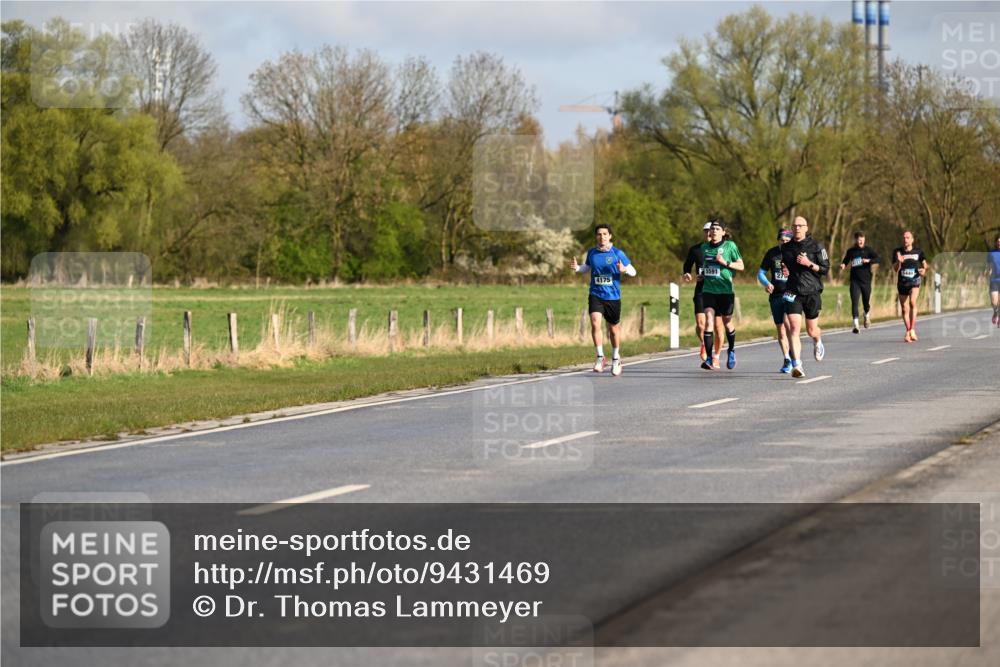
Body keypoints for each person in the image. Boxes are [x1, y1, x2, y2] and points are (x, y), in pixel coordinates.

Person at [570, 224, 636, 376]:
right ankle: (600, 357)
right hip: (596, 293)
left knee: (613, 329)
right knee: (595, 322)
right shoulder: (592, 253)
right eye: (599, 234)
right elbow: (587, 268)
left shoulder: (617, 253)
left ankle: (616, 358)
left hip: (613, 296)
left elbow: (633, 271)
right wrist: (578, 268)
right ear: (596, 237)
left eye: (605, 234)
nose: (602, 237)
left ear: (610, 236)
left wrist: (624, 270)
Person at [780, 216, 829, 378]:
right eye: (794, 226)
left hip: (812, 292)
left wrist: (809, 263)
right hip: (793, 292)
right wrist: (785, 269)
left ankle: (818, 340)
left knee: (811, 330)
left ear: (806, 228)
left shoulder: (816, 246)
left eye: (800, 226)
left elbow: (825, 269)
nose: (797, 228)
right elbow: (784, 265)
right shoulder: (786, 248)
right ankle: (798, 365)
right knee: (794, 328)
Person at [699, 221, 744, 371]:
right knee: (709, 321)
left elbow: (741, 266)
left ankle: (731, 350)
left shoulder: (730, 246)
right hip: (709, 290)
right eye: (712, 229)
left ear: (723, 232)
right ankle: (710, 357)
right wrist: (702, 275)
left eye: (717, 229)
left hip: (725, 292)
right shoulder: (704, 247)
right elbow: (706, 266)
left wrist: (725, 262)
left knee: (727, 323)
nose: (714, 231)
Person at [683, 222, 721, 362]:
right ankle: (704, 343)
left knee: (715, 325)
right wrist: (687, 273)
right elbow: (687, 265)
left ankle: (715, 353)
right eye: (706, 231)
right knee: (701, 324)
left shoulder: (722, 249)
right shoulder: (695, 250)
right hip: (701, 289)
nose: (709, 233)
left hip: (717, 290)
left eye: (711, 230)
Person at [759, 229, 793, 373]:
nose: (784, 243)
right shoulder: (772, 253)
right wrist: (767, 283)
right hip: (776, 295)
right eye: (782, 240)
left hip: (791, 293)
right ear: (778, 240)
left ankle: (794, 352)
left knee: (788, 322)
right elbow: (760, 273)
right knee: (781, 330)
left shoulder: (795, 253)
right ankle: (787, 359)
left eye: (787, 241)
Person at [839, 231, 881, 334]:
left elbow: (878, 258)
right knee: (855, 302)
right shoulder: (851, 251)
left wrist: (869, 261)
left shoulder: (868, 250)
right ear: (856, 240)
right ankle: (856, 324)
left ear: (864, 239)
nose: (860, 240)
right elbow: (845, 260)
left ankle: (866, 314)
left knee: (866, 302)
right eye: (858, 238)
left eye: (862, 238)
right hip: (854, 281)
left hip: (866, 281)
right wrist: (843, 265)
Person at [892, 230, 929, 343]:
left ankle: (912, 329)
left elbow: (925, 265)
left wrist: (924, 271)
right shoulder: (897, 252)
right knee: (904, 308)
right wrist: (899, 262)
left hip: (914, 280)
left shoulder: (918, 252)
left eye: (908, 238)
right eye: (904, 238)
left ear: (912, 240)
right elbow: (895, 269)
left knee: (912, 302)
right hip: (902, 282)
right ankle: (909, 330)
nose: (905, 239)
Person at [989, 234, 1000, 327]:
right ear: (996, 242)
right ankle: (996, 313)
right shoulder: (991, 253)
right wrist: (988, 272)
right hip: (994, 280)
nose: (999, 243)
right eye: (998, 242)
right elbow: (989, 266)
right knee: (994, 301)